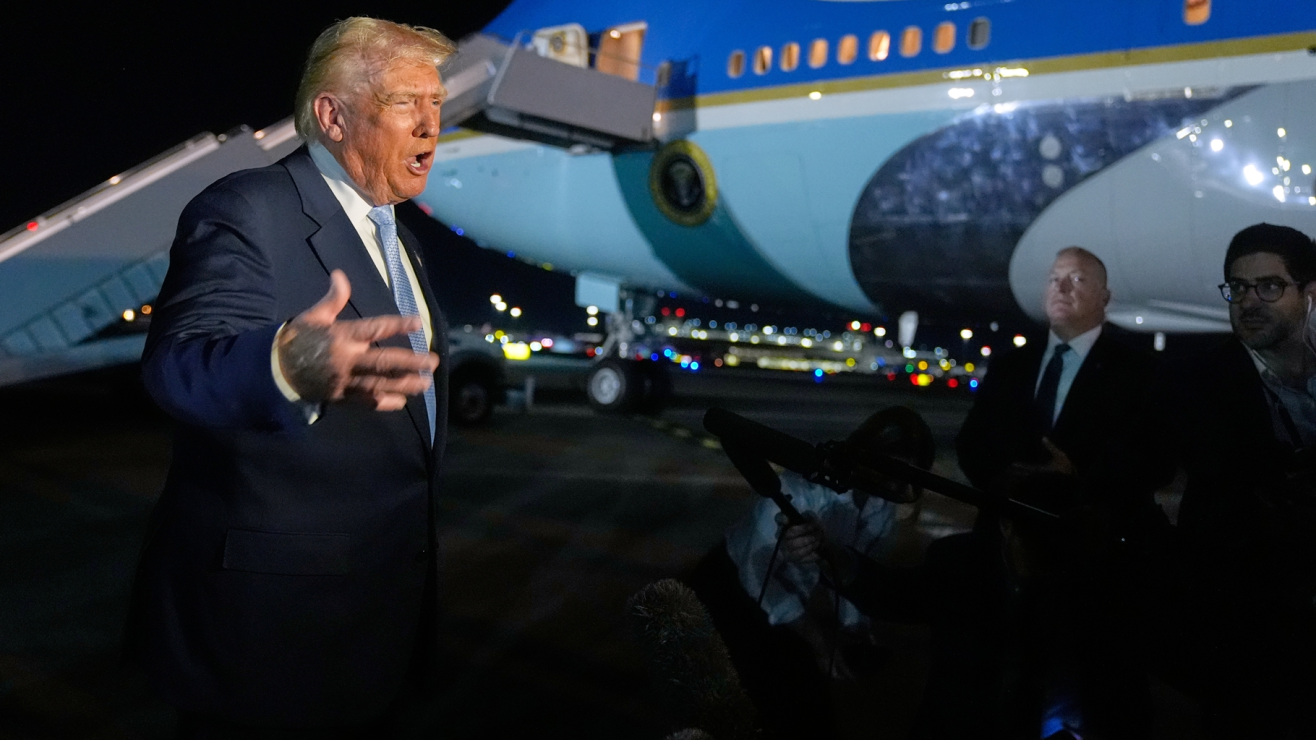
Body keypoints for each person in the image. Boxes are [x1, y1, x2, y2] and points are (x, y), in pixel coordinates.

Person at [125, 18, 454, 736]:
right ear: (333, 116)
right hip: (271, 636)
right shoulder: (249, 208)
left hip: (380, 619)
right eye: (406, 101)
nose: (432, 124)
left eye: (436, 102)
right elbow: (176, 366)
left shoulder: (402, 240)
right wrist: (285, 367)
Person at [780, 472, 1152, 739]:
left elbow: (1115, 677)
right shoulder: (961, 562)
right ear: (1006, 527)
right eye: (1034, 546)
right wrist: (830, 554)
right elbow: (896, 595)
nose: (1044, 562)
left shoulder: (1089, 580)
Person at [686, 407, 933, 740]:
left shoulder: (881, 506)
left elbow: (854, 569)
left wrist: (854, 628)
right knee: (743, 709)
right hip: (730, 591)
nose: (897, 487)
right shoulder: (800, 489)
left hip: (787, 602)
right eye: (893, 473)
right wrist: (817, 641)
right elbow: (757, 574)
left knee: (806, 713)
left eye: (908, 479)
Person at [1165, 223, 1316, 737]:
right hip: (1241, 638)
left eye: (1269, 286)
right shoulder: (1193, 382)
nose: (1250, 301)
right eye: (1238, 287)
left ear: (1310, 293)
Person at [956, 246, 1165, 529]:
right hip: (1005, 533)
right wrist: (1003, 480)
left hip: (1093, 537)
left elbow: (1156, 462)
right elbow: (970, 442)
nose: (1061, 288)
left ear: (1105, 297)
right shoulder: (1009, 366)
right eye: (1054, 279)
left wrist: (1075, 478)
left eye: (1077, 279)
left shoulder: (1140, 372)